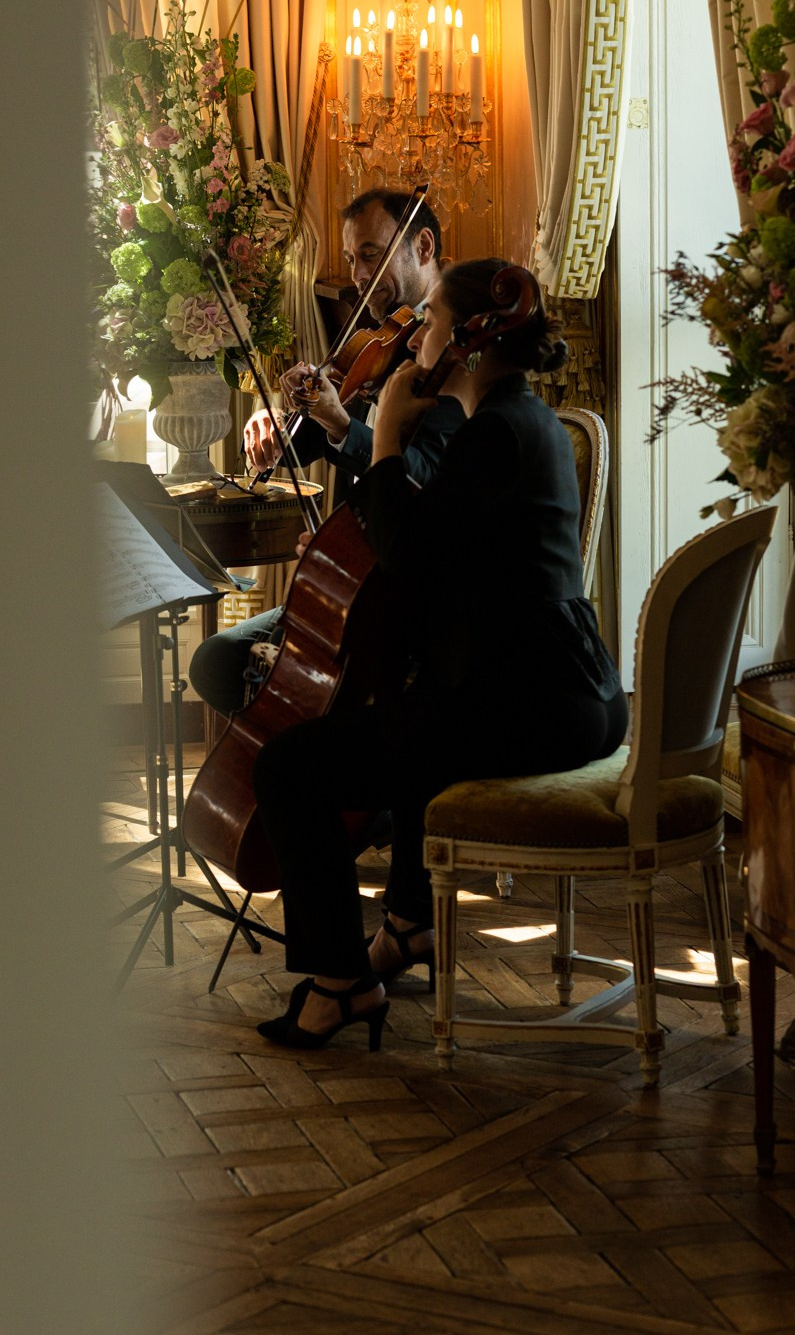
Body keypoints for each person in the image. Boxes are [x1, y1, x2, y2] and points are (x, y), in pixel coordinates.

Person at [250, 257, 628, 1050]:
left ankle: (338, 985)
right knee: (409, 724)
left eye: (429, 322)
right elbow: (446, 564)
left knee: (288, 767)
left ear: (466, 340)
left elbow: (406, 556)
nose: (416, 335)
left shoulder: (493, 432)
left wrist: (384, 432)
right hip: (567, 692)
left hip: (533, 705)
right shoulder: (522, 418)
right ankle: (407, 928)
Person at [189, 188, 465, 718]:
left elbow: (423, 476)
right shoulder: (375, 342)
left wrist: (341, 421)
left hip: (399, 589)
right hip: (349, 573)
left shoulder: (451, 351)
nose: (358, 276)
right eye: (350, 260)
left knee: (230, 667)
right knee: (219, 661)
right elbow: (307, 444)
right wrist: (280, 419)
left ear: (423, 246)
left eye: (370, 254)